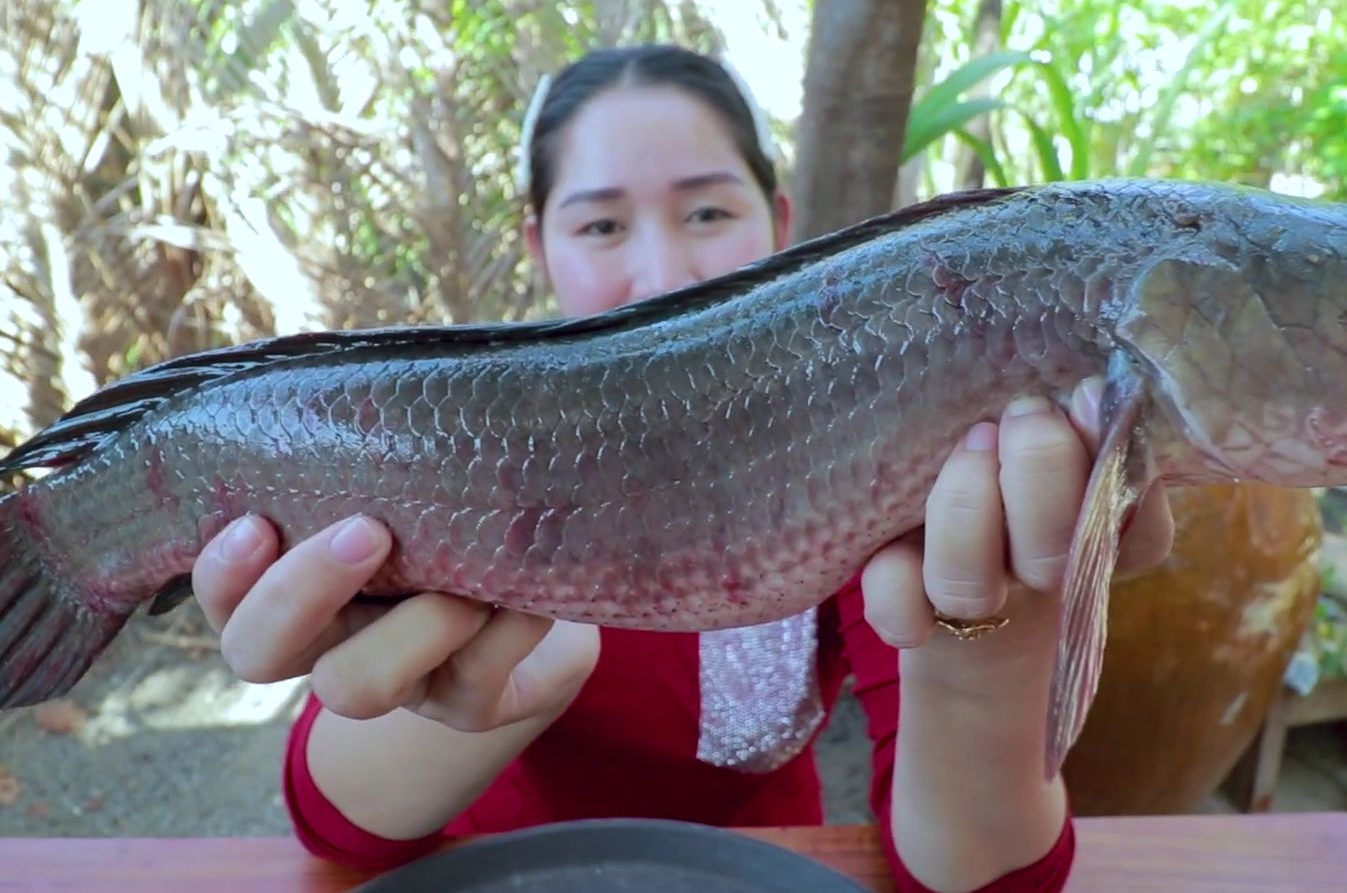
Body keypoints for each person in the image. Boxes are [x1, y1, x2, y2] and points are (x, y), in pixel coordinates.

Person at [188, 43, 1176, 893]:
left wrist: (993, 642)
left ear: (778, 219)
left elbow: (973, 877)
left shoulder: (891, 425)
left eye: (706, 214)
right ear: (539, 244)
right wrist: (459, 698)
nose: (660, 271)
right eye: (602, 226)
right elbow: (337, 829)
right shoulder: (450, 443)